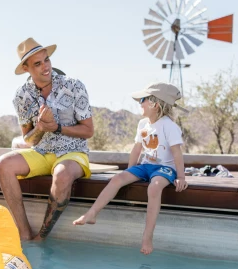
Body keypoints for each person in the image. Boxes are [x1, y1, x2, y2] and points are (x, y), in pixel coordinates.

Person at [0, 37, 94, 241]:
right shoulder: (21, 96)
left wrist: (56, 127)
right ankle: (24, 233)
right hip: (41, 152)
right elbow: (29, 139)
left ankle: (41, 237)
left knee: (62, 175)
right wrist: (40, 127)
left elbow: (88, 131)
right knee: (3, 164)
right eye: (38, 64)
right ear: (26, 68)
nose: (45, 67)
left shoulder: (74, 86)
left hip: (72, 152)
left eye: (46, 60)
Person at [73, 82, 188, 255]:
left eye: (143, 100)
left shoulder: (169, 126)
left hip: (164, 168)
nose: (139, 104)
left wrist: (181, 177)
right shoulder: (143, 124)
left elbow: (177, 154)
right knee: (117, 179)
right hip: (145, 166)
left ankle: (147, 236)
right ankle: (92, 213)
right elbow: (137, 149)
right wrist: (129, 172)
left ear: (154, 104)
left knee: (155, 186)